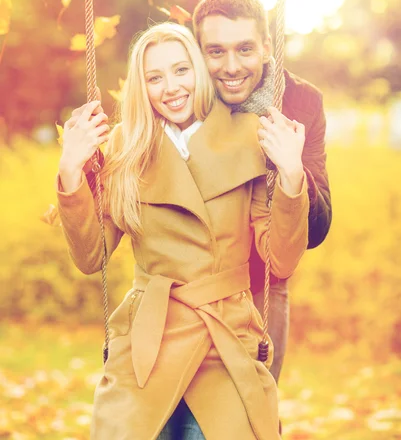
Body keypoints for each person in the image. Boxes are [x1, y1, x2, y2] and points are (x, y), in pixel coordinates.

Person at [56, 22, 309, 440]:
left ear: (198, 71)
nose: (171, 87)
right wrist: (70, 172)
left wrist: (291, 175)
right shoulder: (126, 146)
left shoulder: (252, 136)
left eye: (180, 71)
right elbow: (91, 257)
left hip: (225, 340)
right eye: (155, 77)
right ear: (142, 86)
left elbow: (281, 258)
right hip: (147, 342)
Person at [193, 0, 332, 384]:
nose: (232, 66)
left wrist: (290, 172)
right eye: (216, 51)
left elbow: (316, 231)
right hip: (191, 287)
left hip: (262, 286)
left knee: (257, 412)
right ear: (198, 51)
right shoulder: (183, 96)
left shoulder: (301, 102)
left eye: (245, 49)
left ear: (268, 47)